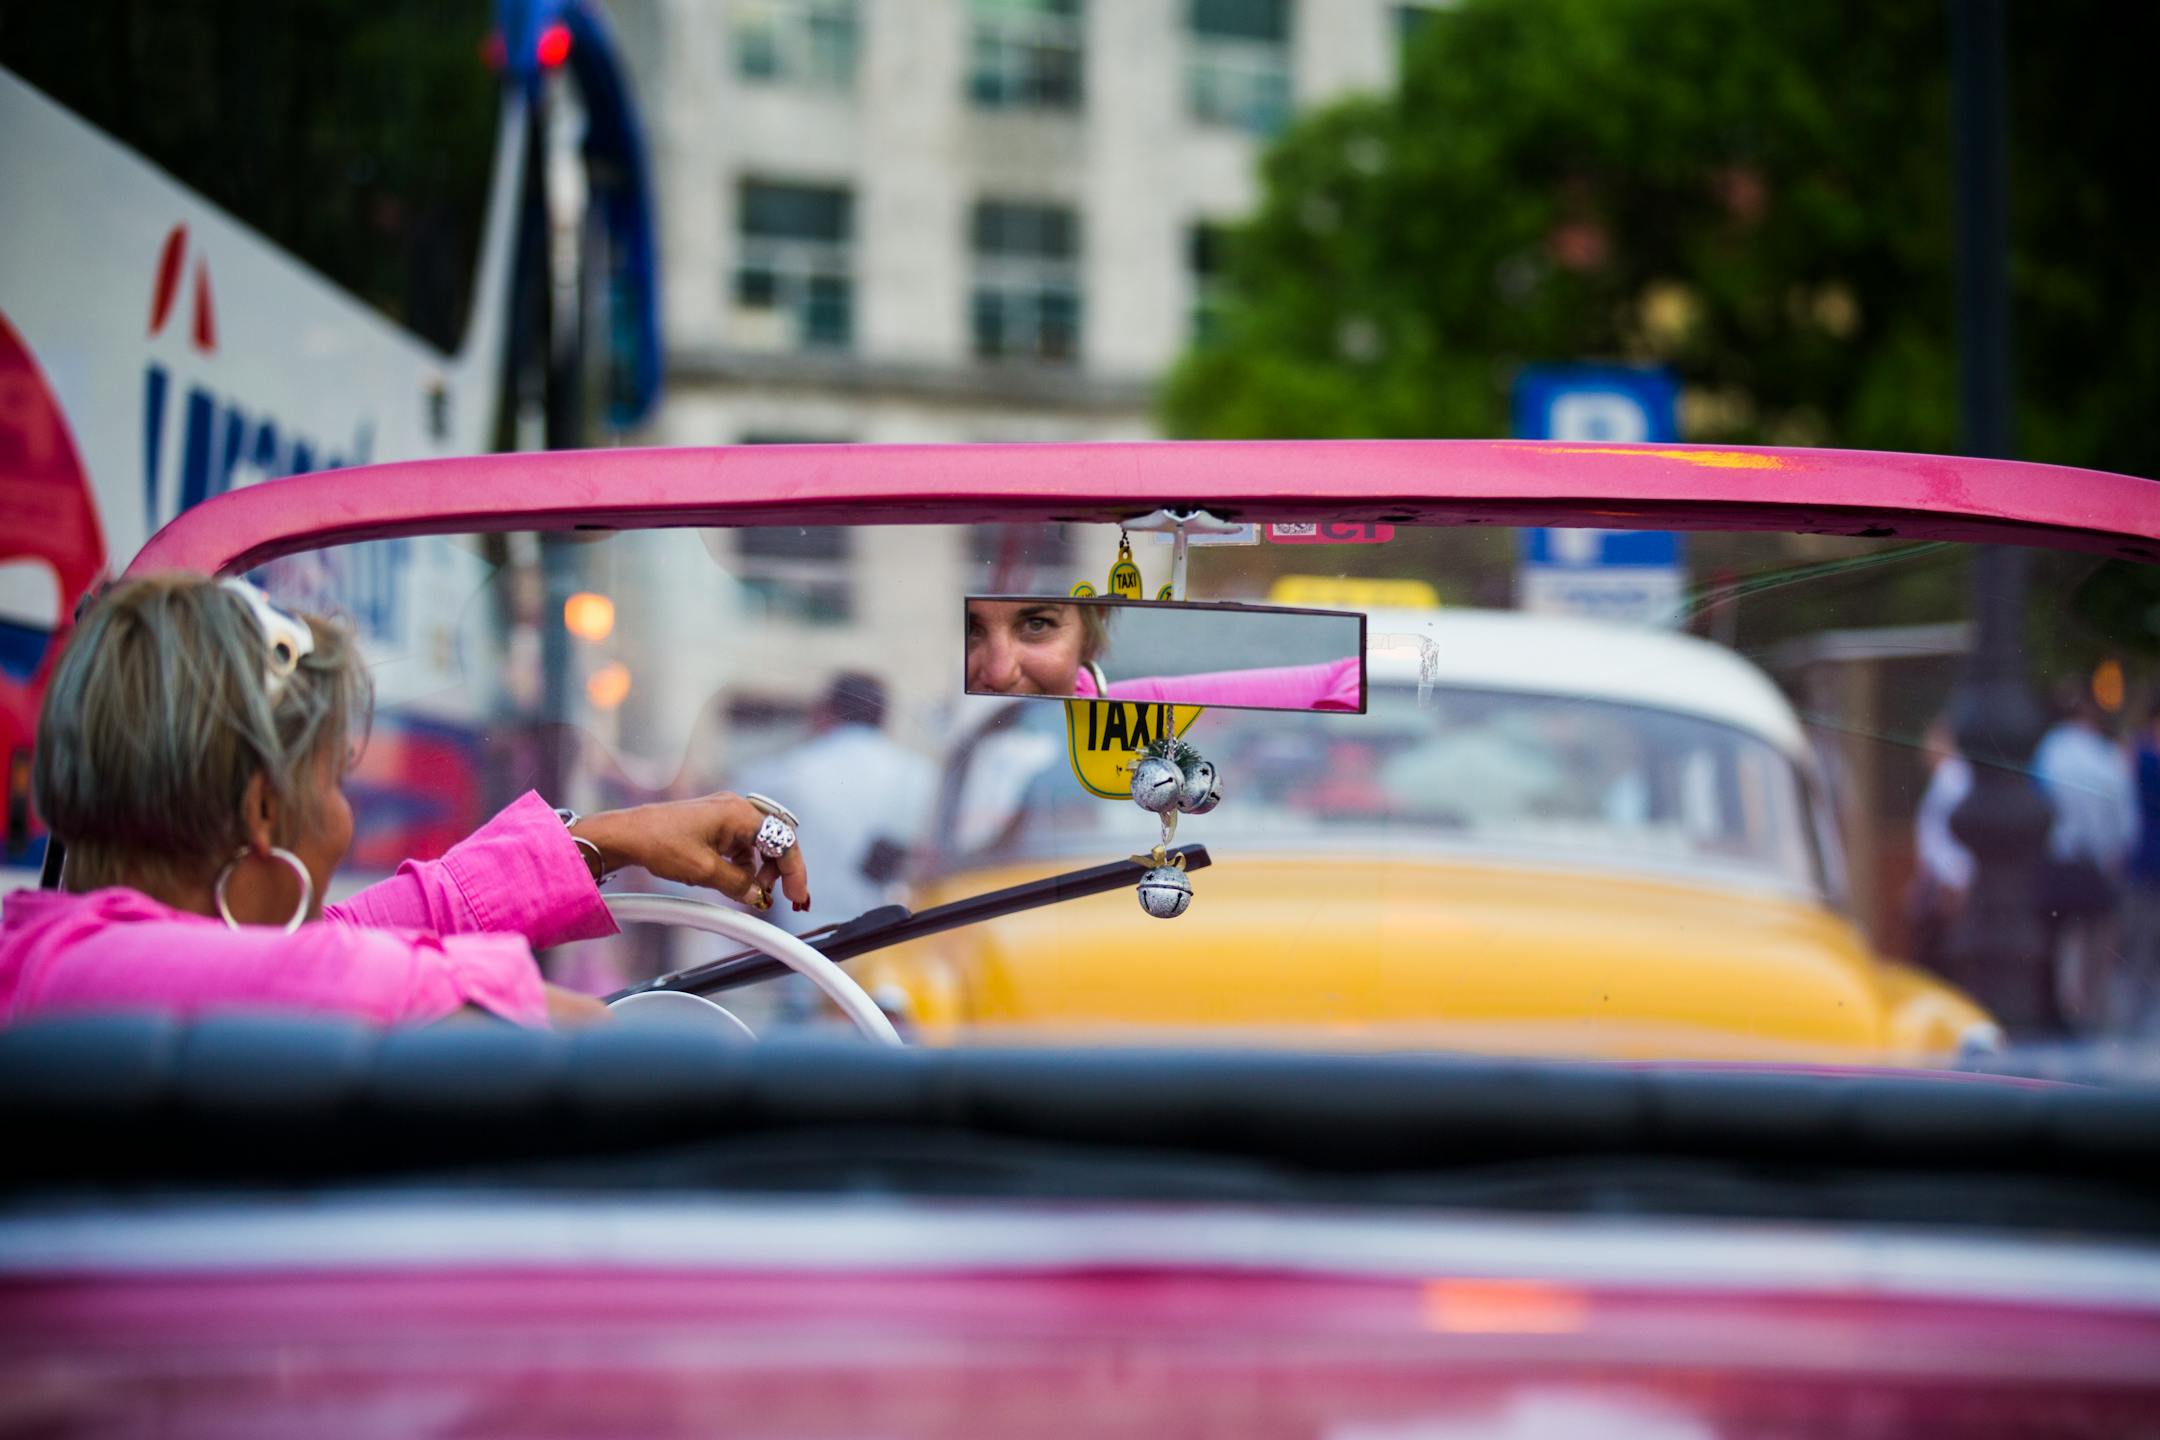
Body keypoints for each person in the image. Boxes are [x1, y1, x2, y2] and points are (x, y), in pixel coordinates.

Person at [1, 576, 812, 1029]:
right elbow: (340, 970)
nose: (345, 816)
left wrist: (613, 838)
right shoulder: (92, 988)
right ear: (261, 813)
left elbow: (370, 929)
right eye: (331, 779)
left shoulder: (55, 961)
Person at [730, 672, 934, 938]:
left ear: (825, 712)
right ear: (885, 716)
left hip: (803, 948)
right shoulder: (923, 776)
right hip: (892, 945)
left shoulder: (785, 772)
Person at [964, 598, 1362, 711]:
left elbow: (1351, 674)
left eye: (1037, 625)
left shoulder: (1134, 707)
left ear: (1092, 631)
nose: (999, 673)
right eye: (970, 630)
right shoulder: (948, 757)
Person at [2031, 680, 2138, 1030]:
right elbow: (2124, 818)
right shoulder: (2105, 756)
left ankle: (2063, 1009)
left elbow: (2037, 801)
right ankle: (2091, 1011)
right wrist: (2112, 850)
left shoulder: (2050, 750)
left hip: (2057, 857)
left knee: (2057, 939)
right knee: (2096, 940)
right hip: (2094, 863)